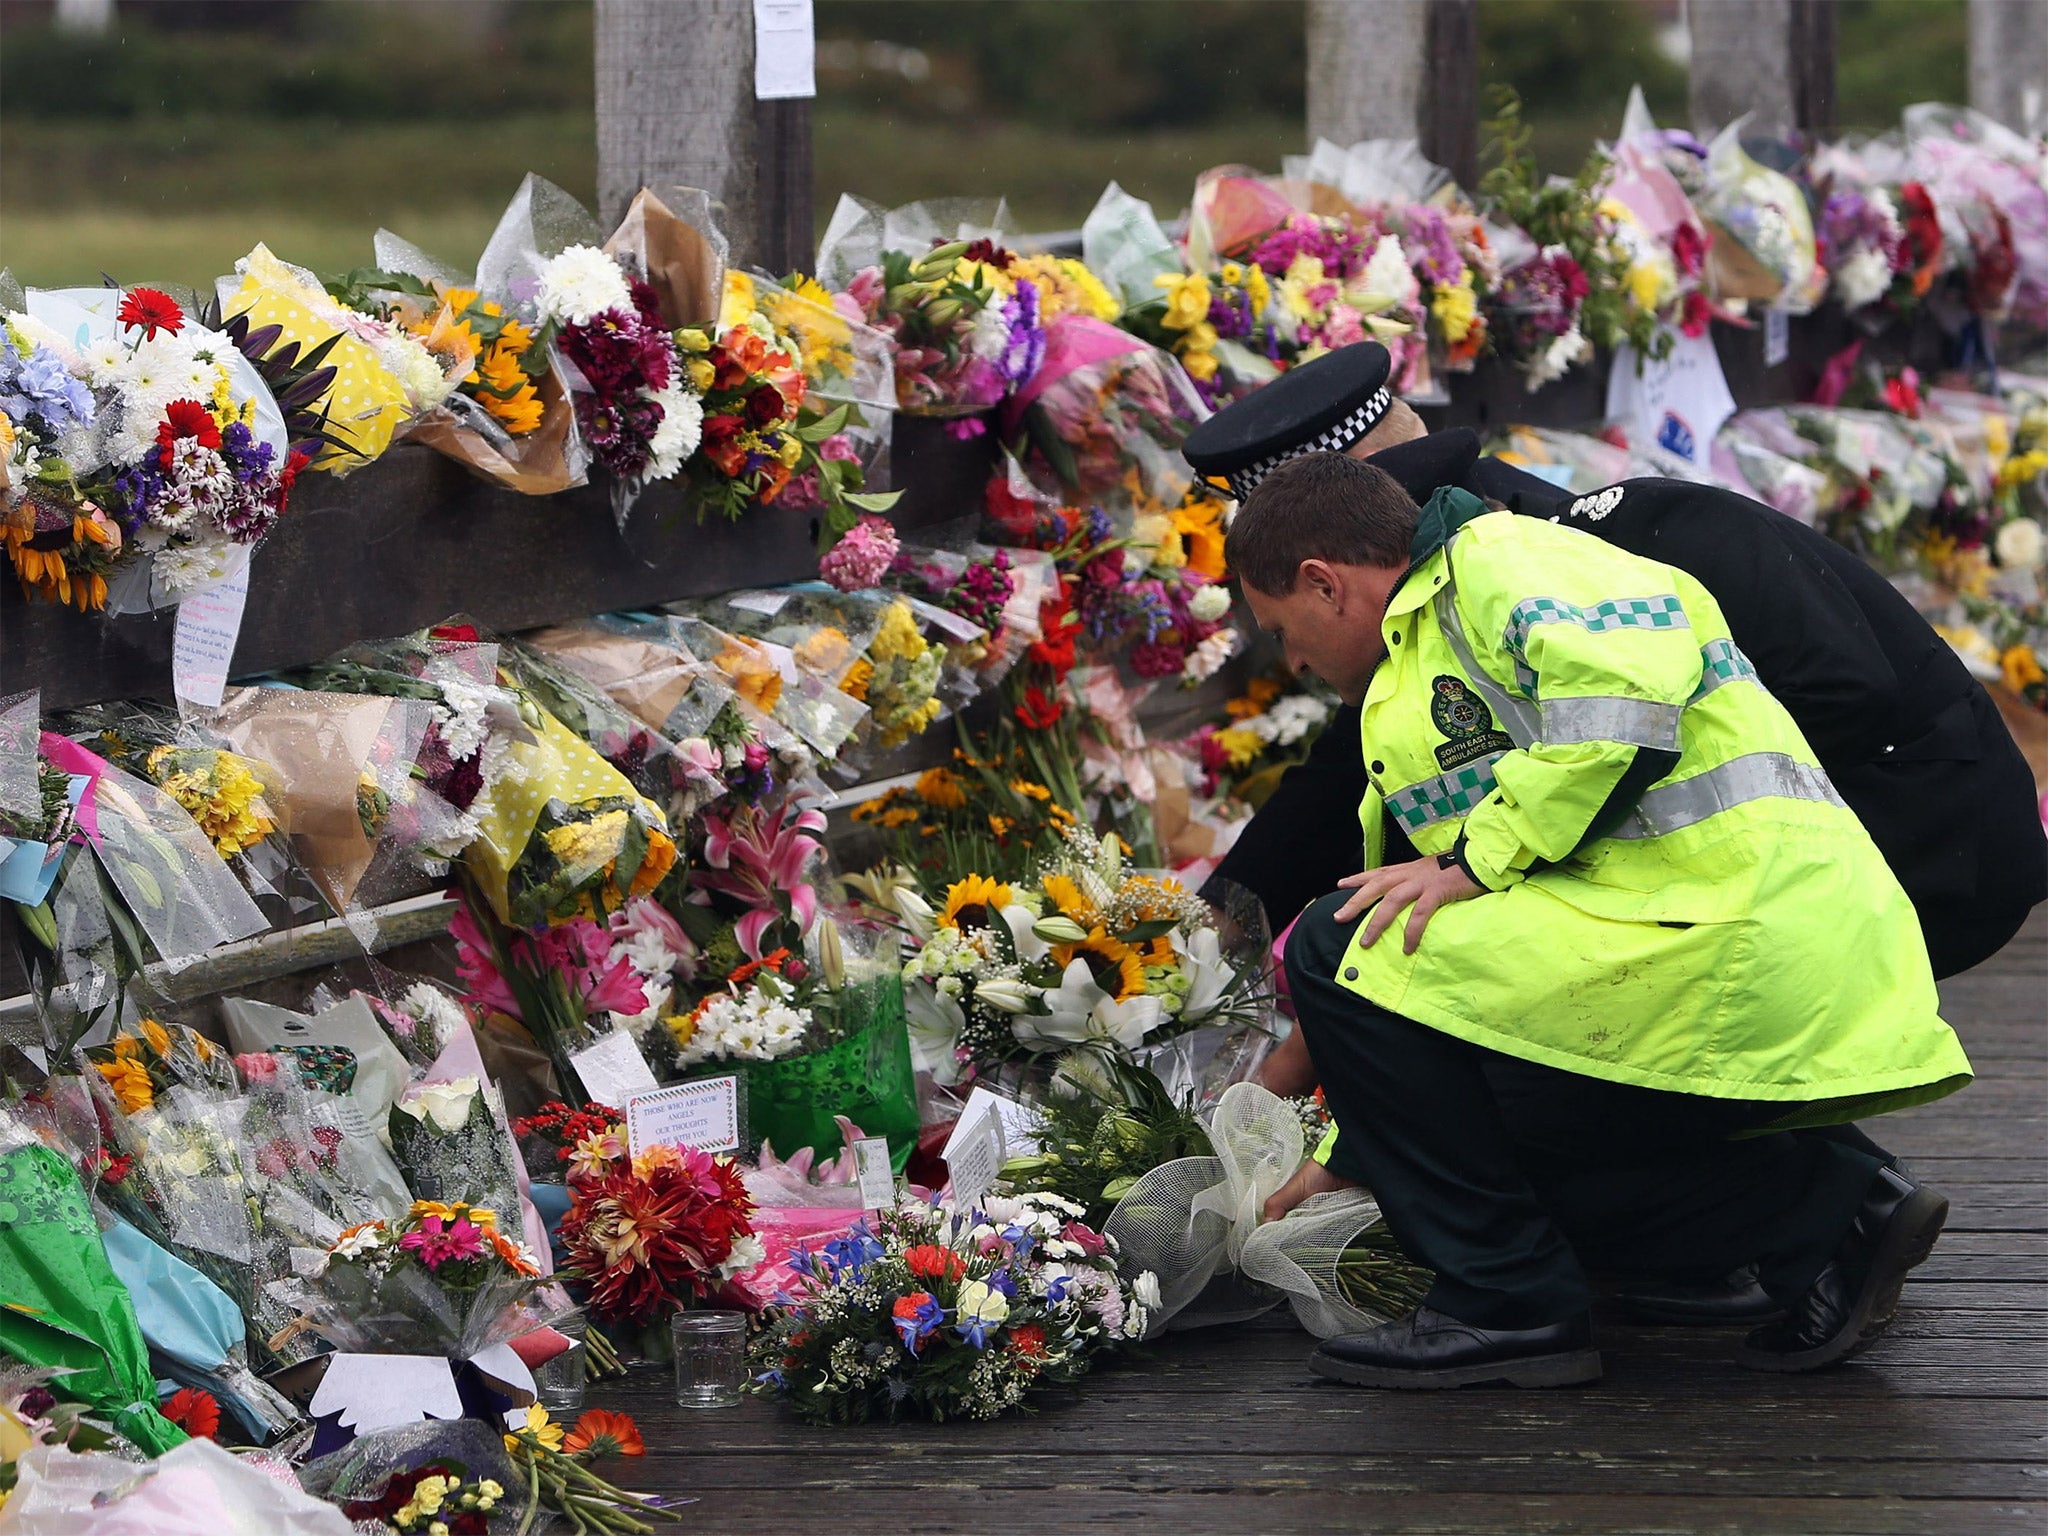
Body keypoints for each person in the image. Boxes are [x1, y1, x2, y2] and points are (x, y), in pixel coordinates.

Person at [1229, 452, 1971, 1388]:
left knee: (1345, 936)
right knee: (1490, 1104)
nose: (1291, 662)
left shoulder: (1502, 562)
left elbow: (1621, 708)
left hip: (1731, 929)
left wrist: (1469, 862)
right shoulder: (1422, 649)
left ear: (1322, 582)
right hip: (1683, 931)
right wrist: (1348, 1155)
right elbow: (1416, 1008)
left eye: (1282, 632)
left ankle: (1503, 1303)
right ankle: (1829, 1219)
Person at [1186, 343, 2047, 977]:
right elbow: (1355, 768)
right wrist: (1226, 911)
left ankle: (1839, 1204)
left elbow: (1845, 705)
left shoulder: (1589, 555)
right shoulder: (1481, 556)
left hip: (1932, 840)